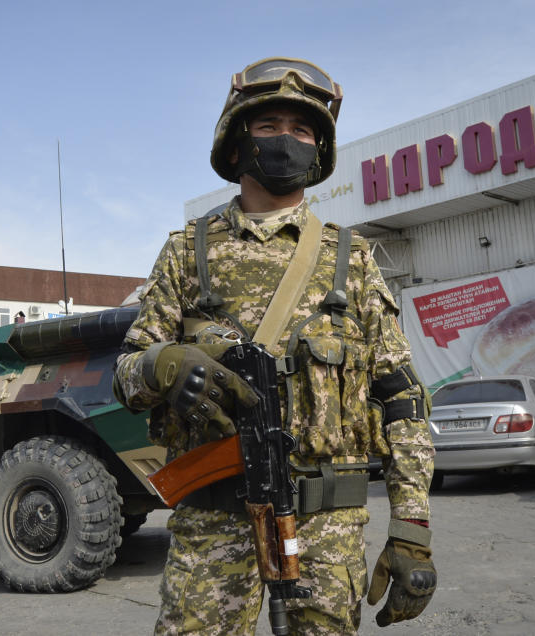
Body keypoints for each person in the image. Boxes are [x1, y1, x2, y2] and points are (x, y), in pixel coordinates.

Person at [113, 57, 437, 635]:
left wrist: (411, 529)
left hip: (326, 525)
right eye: (268, 127)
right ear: (238, 144)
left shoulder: (350, 258)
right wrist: (161, 364)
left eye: (302, 129)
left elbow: (401, 397)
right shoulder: (190, 253)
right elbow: (126, 375)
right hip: (213, 517)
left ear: (317, 153)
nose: (286, 139)